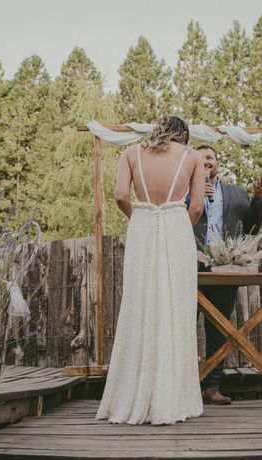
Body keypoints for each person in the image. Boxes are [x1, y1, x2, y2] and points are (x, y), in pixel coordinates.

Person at [96, 115, 205, 425]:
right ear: (182, 135)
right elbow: (196, 207)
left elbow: (119, 196)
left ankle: (130, 395)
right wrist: (179, 228)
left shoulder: (130, 155)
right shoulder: (192, 157)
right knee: (174, 307)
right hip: (176, 226)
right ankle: (172, 396)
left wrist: (140, 217)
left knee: (139, 304)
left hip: (142, 226)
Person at [191, 145, 262, 405]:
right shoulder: (184, 192)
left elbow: (253, 227)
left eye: (209, 158)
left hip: (225, 269)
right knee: (184, 327)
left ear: (218, 163)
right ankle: (186, 386)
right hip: (190, 270)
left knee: (218, 329)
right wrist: (195, 195)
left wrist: (257, 200)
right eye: (199, 160)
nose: (205, 163)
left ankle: (211, 387)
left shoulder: (236, 194)